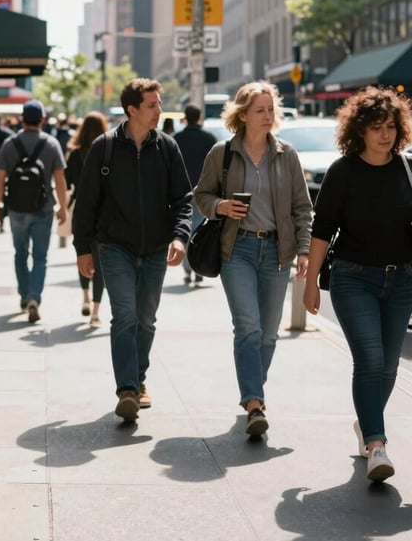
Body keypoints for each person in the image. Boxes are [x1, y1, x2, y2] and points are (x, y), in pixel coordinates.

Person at [303, 86, 412, 482]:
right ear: (359, 130)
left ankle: (367, 423)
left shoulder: (407, 170)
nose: (384, 135)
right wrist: (311, 282)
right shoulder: (342, 172)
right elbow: (322, 229)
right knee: (368, 359)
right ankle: (377, 444)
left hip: (401, 279)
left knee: (387, 368)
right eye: (376, 127)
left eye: (390, 127)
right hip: (353, 278)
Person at [194, 81, 312, 437]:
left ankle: (252, 391)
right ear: (243, 114)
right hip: (238, 249)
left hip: (277, 252)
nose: (267, 116)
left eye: (270, 110)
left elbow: (302, 208)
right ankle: (254, 402)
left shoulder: (286, 154)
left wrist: (304, 249)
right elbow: (201, 196)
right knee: (248, 327)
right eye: (259, 110)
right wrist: (221, 206)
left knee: (269, 334)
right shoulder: (223, 153)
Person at [72, 78, 193, 421]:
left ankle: (138, 379)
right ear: (132, 110)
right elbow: (87, 203)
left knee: (146, 319)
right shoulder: (104, 147)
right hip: (115, 247)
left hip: (156, 248)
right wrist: (83, 249)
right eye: (152, 105)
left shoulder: (168, 147)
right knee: (124, 315)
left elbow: (183, 199)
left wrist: (179, 236)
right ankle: (127, 388)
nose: (158, 111)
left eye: (158, 103)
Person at [0, 100, 68, 323]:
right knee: (41, 257)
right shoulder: (51, 144)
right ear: (42, 119)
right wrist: (63, 207)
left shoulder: (9, 144)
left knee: (20, 253)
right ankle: (35, 296)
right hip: (43, 208)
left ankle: (24, 295)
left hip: (15, 208)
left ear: (22, 119)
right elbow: (60, 179)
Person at [64, 110, 109, 327]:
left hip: (81, 213)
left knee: (83, 254)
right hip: (103, 213)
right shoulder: (108, 152)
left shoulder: (74, 154)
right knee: (100, 263)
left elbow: (69, 182)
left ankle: (84, 298)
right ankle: (96, 312)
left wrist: (66, 205)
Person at [174, 104, 217, 286]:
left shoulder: (177, 139)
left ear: (185, 117)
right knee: (199, 231)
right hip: (204, 192)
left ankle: (188, 269)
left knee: (185, 230)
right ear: (199, 117)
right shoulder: (209, 139)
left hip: (182, 192)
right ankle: (197, 269)